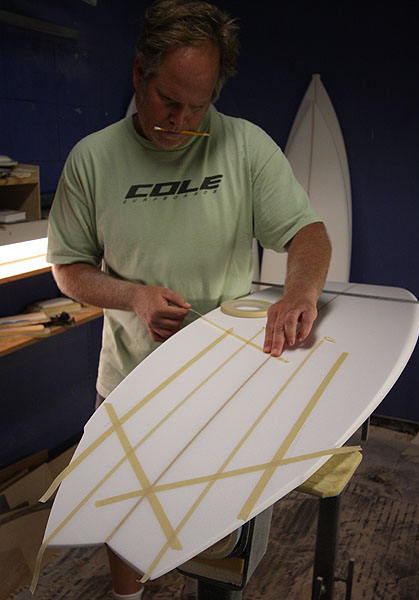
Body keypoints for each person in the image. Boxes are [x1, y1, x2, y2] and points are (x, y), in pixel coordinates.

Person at [47, 1, 331, 597]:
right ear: (139, 74)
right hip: (129, 383)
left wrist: (299, 292)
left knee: (219, 536)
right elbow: (68, 270)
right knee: (123, 512)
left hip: (224, 386)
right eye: (167, 100)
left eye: (198, 106)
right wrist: (133, 296)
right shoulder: (92, 160)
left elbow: (308, 234)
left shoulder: (245, 147)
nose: (180, 120)